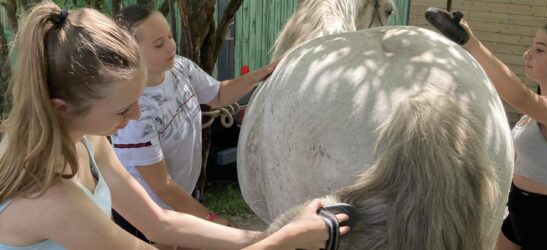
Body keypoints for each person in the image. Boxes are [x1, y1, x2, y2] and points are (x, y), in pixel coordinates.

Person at [0, 2, 349, 249]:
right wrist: (287, 239)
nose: (136, 116)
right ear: (62, 108)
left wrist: (269, 236)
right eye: (122, 109)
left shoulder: (89, 140)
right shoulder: (49, 197)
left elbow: (160, 223)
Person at [109, 5, 275, 241]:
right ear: (130, 52)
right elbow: (162, 186)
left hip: (183, 197)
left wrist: (264, 72)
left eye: (169, 36)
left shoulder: (180, 67)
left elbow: (218, 95)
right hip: (151, 217)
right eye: (159, 43)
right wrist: (210, 219)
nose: (171, 46)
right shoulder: (135, 113)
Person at [460, 19, 547, 249]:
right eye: (531, 46)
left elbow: (520, 97)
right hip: (519, 217)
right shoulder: (533, 114)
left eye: (539, 49)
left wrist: (471, 43)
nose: (527, 54)